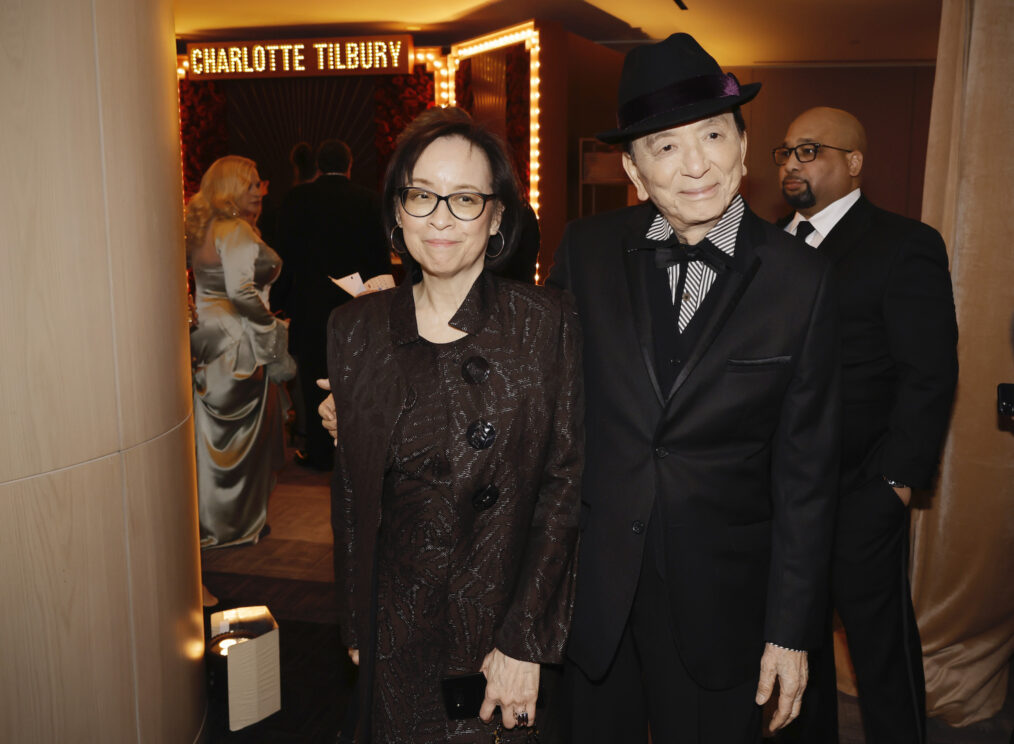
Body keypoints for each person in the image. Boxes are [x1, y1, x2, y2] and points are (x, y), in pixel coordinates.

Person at [546, 34, 841, 742]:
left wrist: (790, 631)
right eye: (665, 146)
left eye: (712, 134)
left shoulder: (803, 281)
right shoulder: (585, 252)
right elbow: (537, 392)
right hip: (596, 591)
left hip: (723, 604)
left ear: (743, 147)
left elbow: (808, 473)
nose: (696, 163)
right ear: (634, 170)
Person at [326, 115, 583, 742]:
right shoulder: (353, 329)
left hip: (499, 634)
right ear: (398, 211)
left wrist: (525, 640)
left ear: (497, 218)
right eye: (422, 195)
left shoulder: (545, 321)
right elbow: (353, 497)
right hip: (397, 624)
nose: (441, 217)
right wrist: (357, 625)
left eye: (465, 199)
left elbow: (566, 488)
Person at [773, 106, 958, 744]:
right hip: (782, 494)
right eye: (786, 152)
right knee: (796, 651)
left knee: (880, 653)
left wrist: (897, 485)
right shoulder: (764, 244)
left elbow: (929, 374)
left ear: (854, 163)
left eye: (810, 150)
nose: (792, 164)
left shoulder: (905, 244)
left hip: (864, 488)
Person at [186, 155, 295, 549]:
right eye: (251, 184)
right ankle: (234, 526)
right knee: (243, 442)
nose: (261, 190)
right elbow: (241, 292)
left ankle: (213, 523)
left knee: (215, 438)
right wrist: (271, 331)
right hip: (239, 346)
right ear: (232, 187)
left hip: (209, 341)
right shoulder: (234, 230)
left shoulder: (201, 229)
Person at [275, 139, 391, 470]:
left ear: (319, 166)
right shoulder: (368, 200)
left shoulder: (297, 199)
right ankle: (352, 450)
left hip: (310, 306)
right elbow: (379, 260)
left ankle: (318, 452)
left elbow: (285, 257)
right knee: (355, 377)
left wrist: (279, 300)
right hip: (356, 307)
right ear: (350, 165)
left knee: (314, 379)